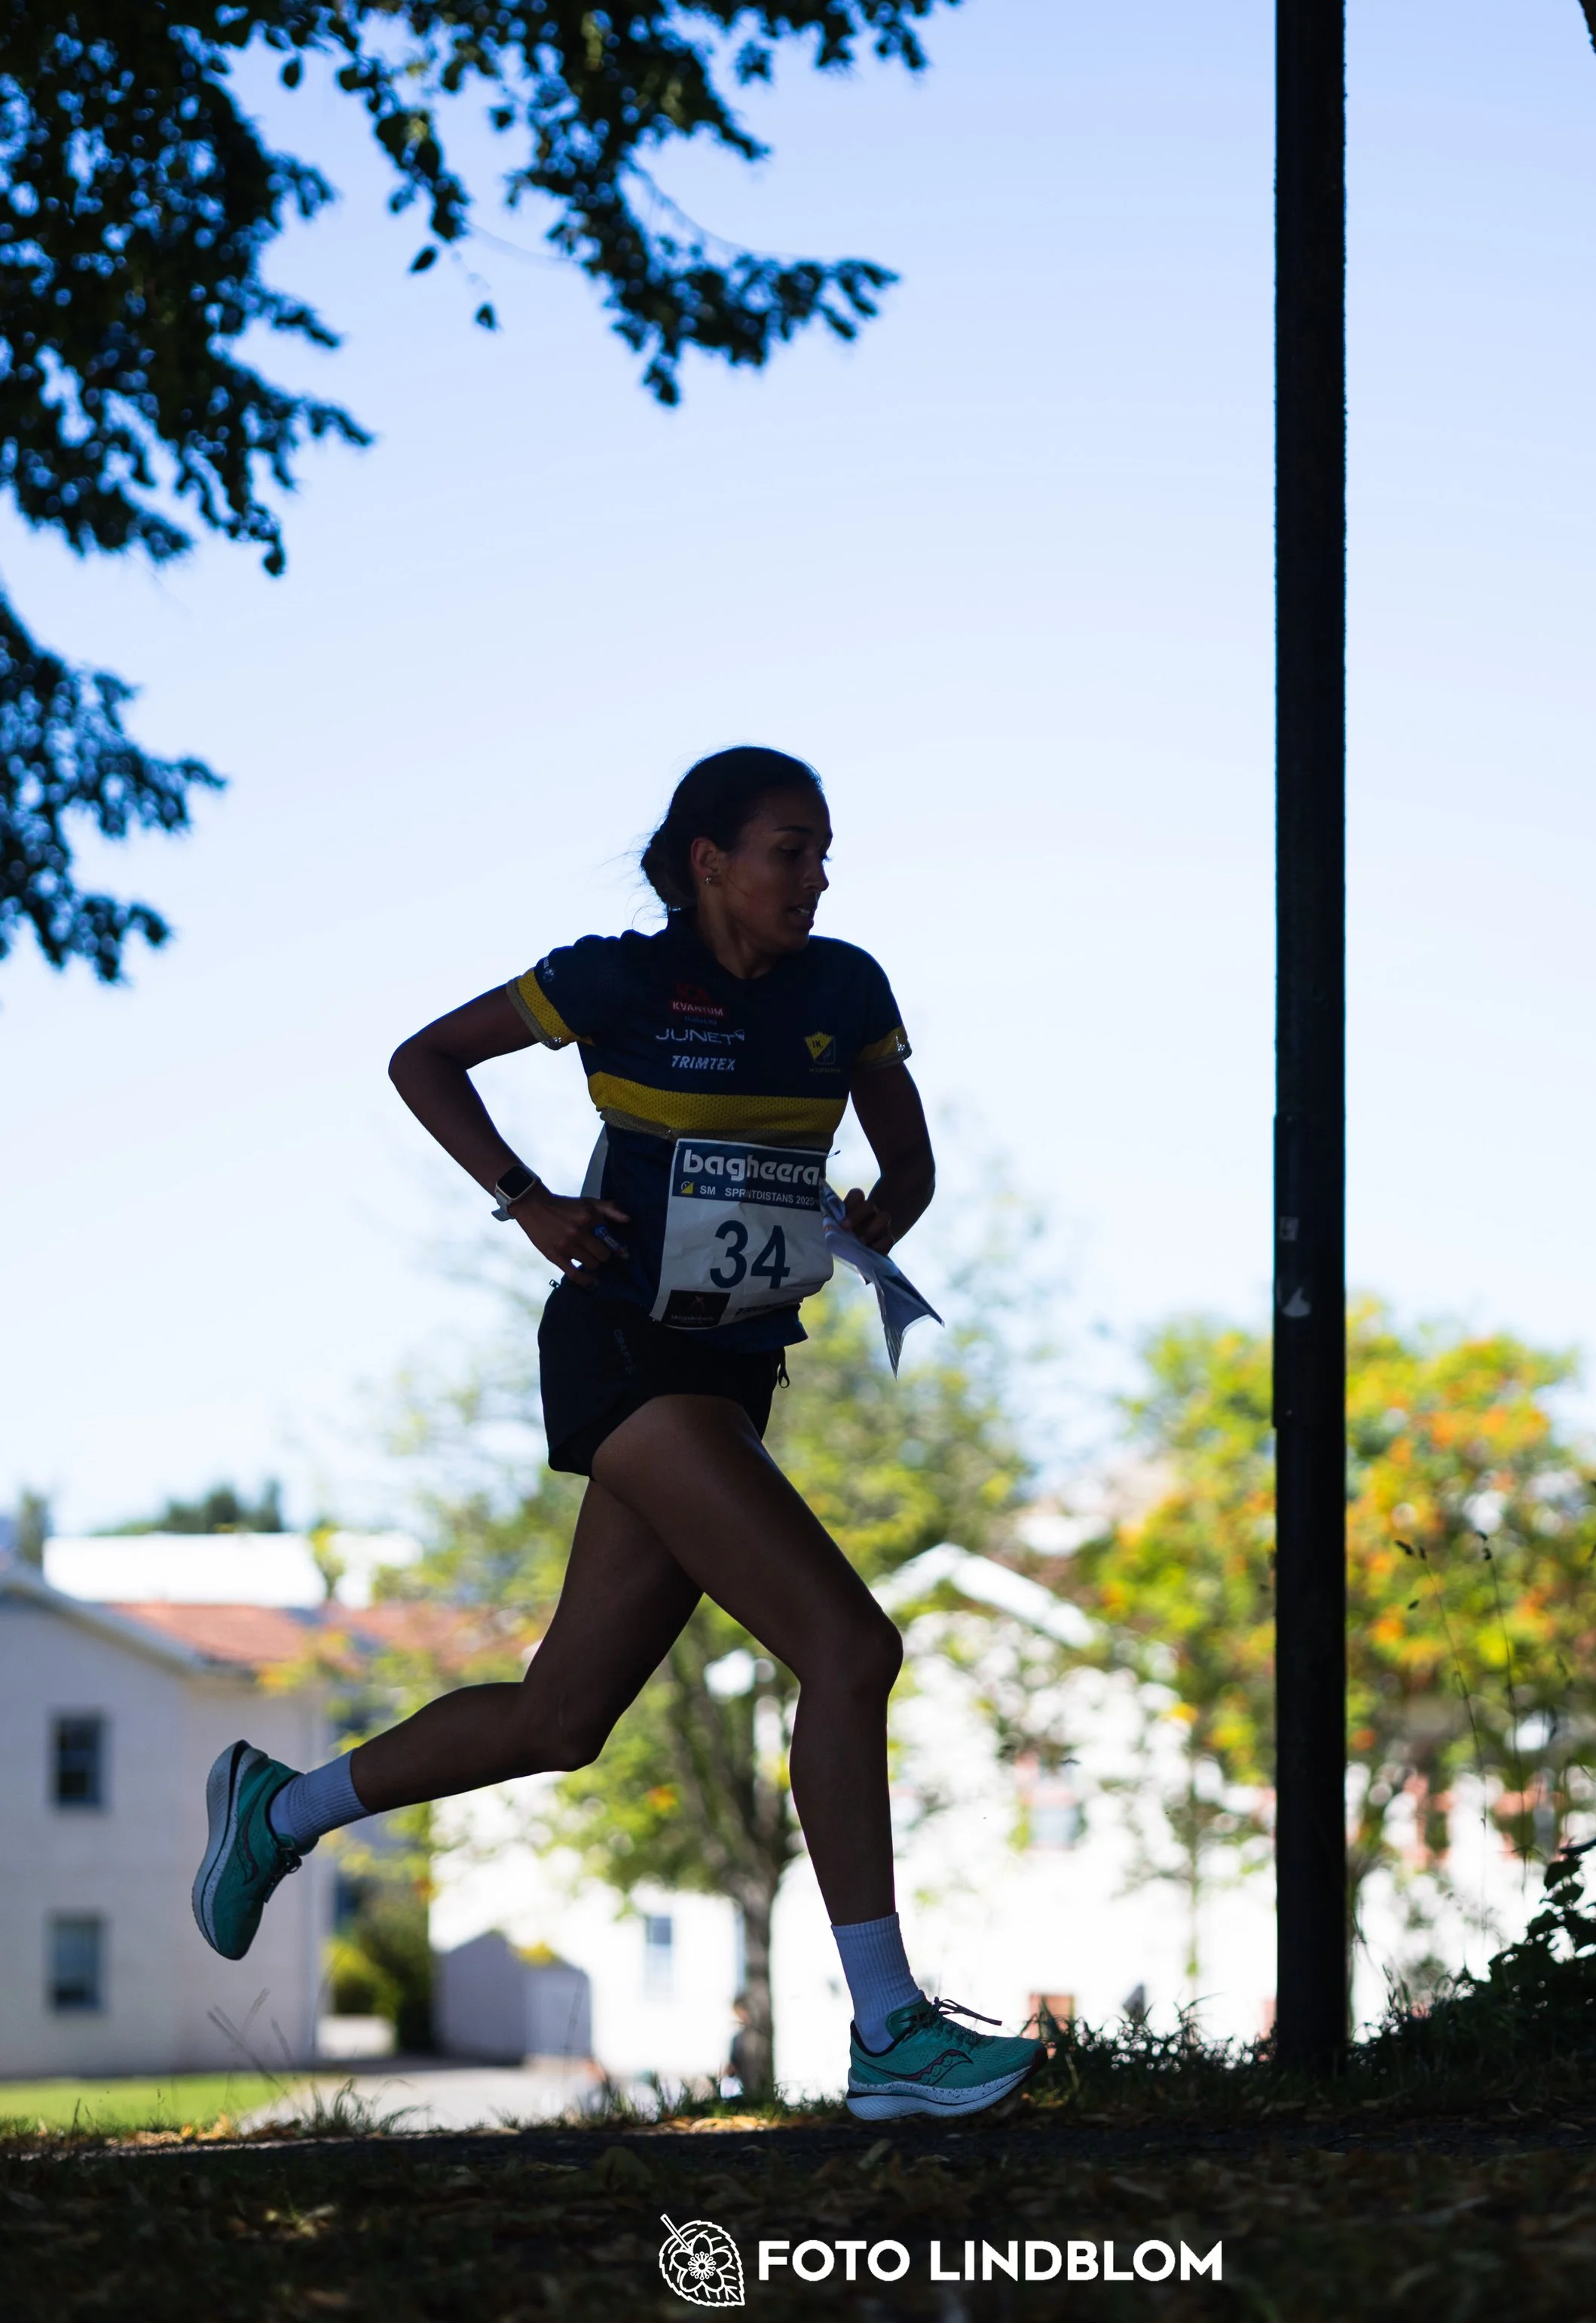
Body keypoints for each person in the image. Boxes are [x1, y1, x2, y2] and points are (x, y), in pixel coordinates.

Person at [189, 746, 1041, 2122]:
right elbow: (426, 1061)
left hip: (735, 1365)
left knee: (562, 1717)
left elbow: (915, 1164)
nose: (814, 877)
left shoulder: (846, 990)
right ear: (710, 859)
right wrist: (526, 1198)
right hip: (625, 1354)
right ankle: (890, 2031)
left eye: (825, 852)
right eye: (788, 849)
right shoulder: (615, 981)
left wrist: (881, 1219)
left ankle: (277, 1810)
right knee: (848, 1648)